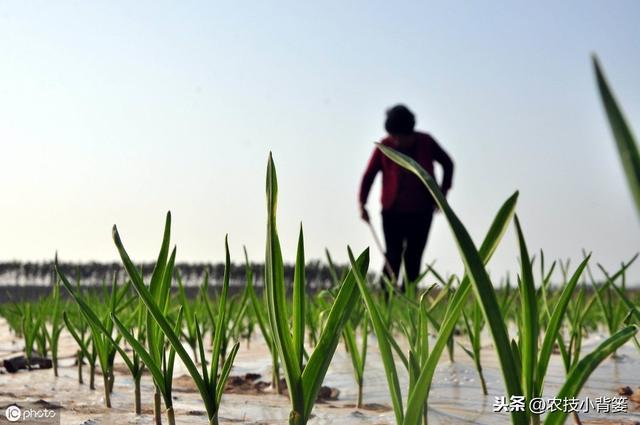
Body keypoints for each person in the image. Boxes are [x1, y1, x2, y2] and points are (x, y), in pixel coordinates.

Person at [359, 104, 454, 291]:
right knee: (392, 256)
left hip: (422, 212)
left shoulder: (426, 142)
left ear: (409, 132)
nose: (395, 140)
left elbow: (448, 164)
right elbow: (369, 175)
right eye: (393, 135)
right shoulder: (385, 146)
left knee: (414, 257)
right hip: (392, 212)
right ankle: (387, 301)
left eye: (399, 136)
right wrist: (362, 203)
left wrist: (441, 195)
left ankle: (409, 298)